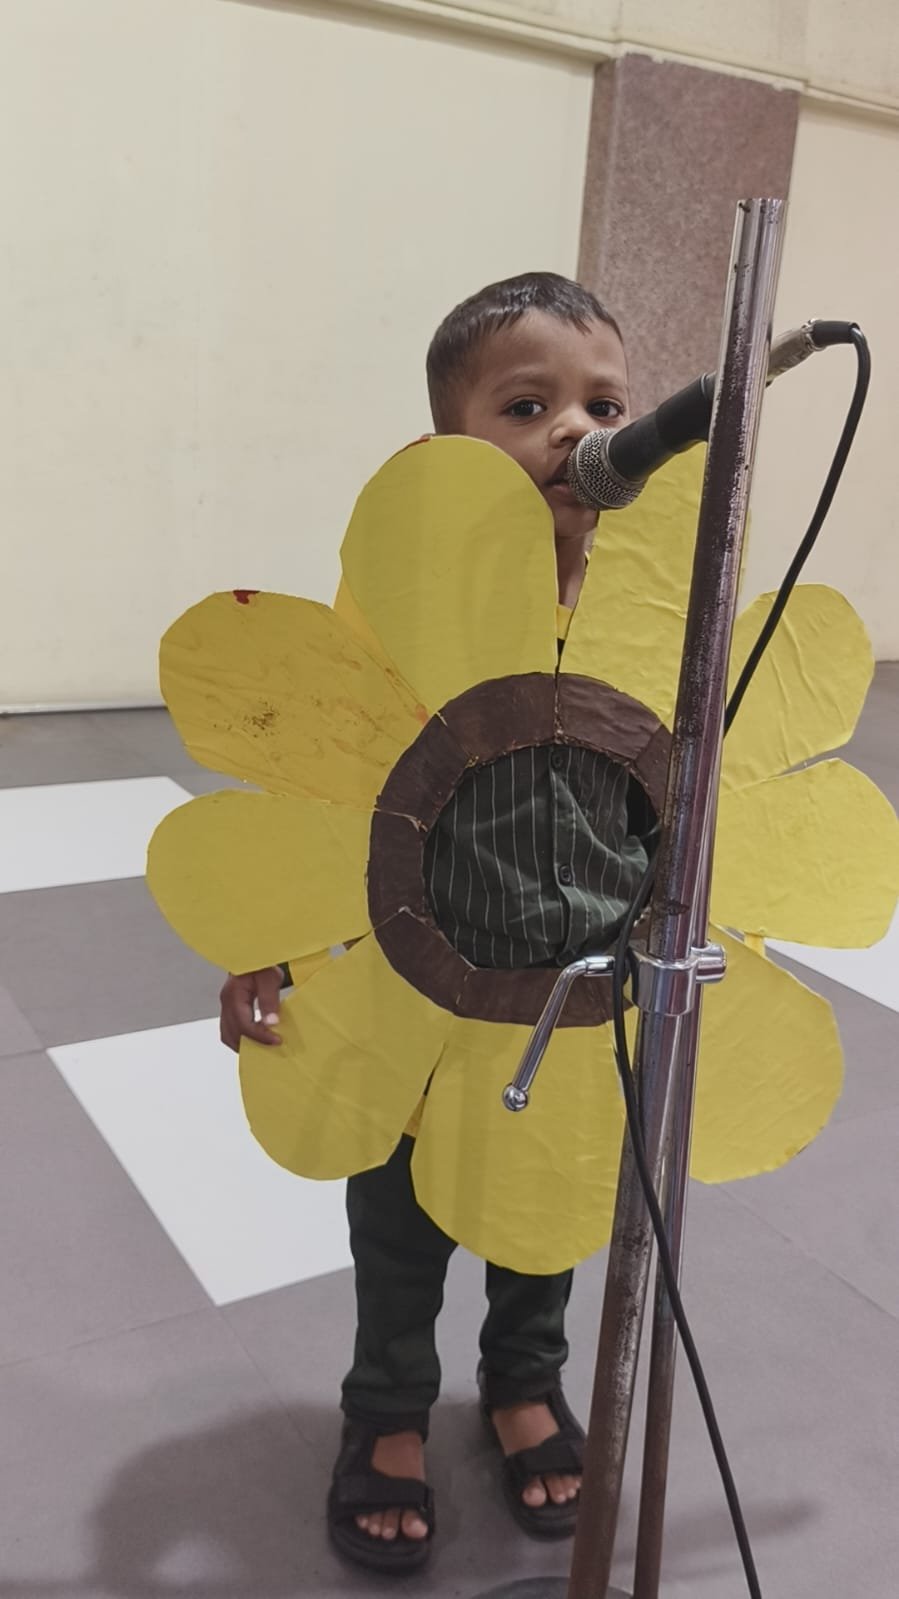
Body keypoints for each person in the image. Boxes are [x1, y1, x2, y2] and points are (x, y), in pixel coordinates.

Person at [219, 272, 651, 1573]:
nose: (576, 430)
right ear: (443, 448)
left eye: (605, 405)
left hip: (569, 998)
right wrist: (262, 938)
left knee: (545, 1203)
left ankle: (524, 1382)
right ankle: (389, 1407)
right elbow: (318, 769)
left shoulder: (644, 611)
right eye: (527, 407)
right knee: (400, 1220)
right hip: (415, 996)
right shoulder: (402, 602)